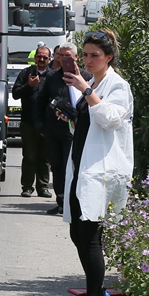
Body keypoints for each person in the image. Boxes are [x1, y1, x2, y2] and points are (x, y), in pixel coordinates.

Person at [56, 28, 134, 296]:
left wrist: (86, 92)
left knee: (90, 237)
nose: (87, 61)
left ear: (109, 57)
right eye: (85, 55)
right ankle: (97, 292)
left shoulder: (117, 85)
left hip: (101, 171)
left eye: (94, 56)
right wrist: (71, 116)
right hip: (83, 165)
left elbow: (112, 119)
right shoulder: (93, 81)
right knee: (78, 232)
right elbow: (89, 124)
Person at [37, 43, 90, 216]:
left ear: (76, 57)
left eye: (68, 56)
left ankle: (71, 202)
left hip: (73, 130)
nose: (64, 59)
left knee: (71, 166)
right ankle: (60, 201)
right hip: (53, 129)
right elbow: (41, 101)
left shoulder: (86, 77)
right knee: (57, 166)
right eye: (61, 56)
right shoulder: (52, 77)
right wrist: (41, 125)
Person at [11, 46, 54, 198]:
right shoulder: (25, 73)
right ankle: (27, 187)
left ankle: (43, 187)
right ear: (35, 58)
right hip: (28, 122)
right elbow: (15, 94)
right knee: (29, 156)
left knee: (44, 157)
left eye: (45, 57)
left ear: (49, 60)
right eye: (39, 57)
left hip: (47, 123)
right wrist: (29, 86)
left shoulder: (53, 76)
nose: (42, 60)